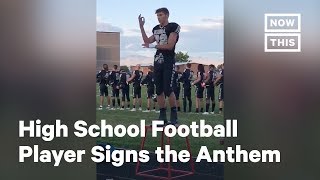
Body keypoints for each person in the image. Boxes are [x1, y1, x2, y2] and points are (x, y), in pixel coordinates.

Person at [138, 7, 180, 125]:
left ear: (167, 15)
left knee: (168, 89)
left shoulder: (173, 26)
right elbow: (147, 40)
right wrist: (141, 27)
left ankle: (174, 115)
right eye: (157, 15)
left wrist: (153, 47)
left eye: (160, 15)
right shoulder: (156, 29)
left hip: (168, 60)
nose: (158, 17)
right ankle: (162, 116)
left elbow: (170, 46)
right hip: (158, 61)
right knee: (159, 90)